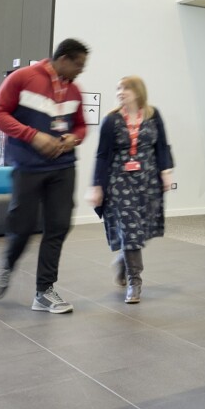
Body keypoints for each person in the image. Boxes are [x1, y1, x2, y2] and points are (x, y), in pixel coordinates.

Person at [0, 38, 89, 313]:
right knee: (22, 228)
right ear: (64, 59)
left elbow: (81, 126)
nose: (81, 70)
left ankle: (44, 291)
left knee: (58, 226)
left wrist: (72, 139)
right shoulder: (23, 77)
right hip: (28, 167)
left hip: (63, 166)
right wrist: (32, 136)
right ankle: (7, 265)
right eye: (78, 64)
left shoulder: (75, 91)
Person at [87, 76, 174, 304]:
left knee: (141, 229)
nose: (120, 92)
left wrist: (166, 172)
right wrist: (96, 185)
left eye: (125, 88)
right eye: (118, 88)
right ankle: (135, 282)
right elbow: (102, 155)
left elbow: (162, 145)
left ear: (138, 92)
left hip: (148, 180)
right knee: (130, 228)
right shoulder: (111, 120)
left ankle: (122, 260)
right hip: (119, 181)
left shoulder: (153, 116)